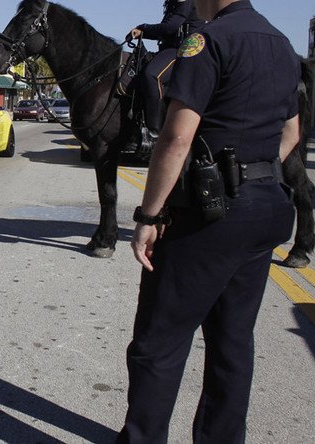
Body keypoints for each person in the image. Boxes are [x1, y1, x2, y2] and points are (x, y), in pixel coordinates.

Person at [118, 0, 301, 442]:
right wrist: (251, 176)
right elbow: (292, 134)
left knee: (159, 342)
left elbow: (177, 136)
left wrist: (149, 215)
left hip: (210, 217)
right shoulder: (282, 43)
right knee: (232, 341)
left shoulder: (209, 40)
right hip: (267, 206)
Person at [130, 0, 201, 138]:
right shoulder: (173, 4)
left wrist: (144, 27)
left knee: (152, 75)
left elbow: (170, 27)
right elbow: (165, 31)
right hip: (171, 48)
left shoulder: (185, 1)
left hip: (184, 51)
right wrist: (141, 32)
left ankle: (155, 132)